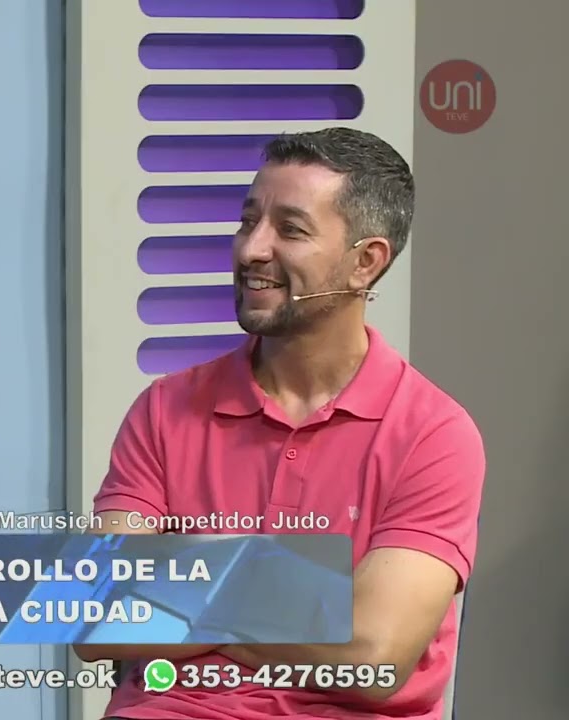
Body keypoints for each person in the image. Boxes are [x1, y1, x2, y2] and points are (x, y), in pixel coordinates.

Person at [74, 128, 484, 720]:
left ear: (365, 262)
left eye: (289, 230)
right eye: (248, 222)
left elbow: (372, 656)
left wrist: (202, 586)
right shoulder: (164, 409)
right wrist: (308, 604)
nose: (251, 249)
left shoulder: (433, 434)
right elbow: (94, 616)